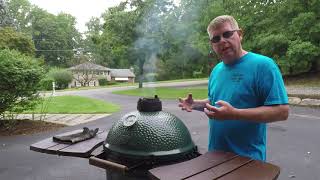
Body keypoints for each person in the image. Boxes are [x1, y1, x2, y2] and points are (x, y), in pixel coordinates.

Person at [178, 15, 289, 161]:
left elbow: (282, 111)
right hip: (215, 158)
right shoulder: (216, 70)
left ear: (240, 34)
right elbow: (215, 101)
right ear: (212, 44)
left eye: (227, 34)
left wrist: (235, 114)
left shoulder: (264, 66)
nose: (222, 41)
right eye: (215, 39)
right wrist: (196, 104)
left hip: (247, 161)